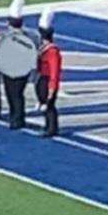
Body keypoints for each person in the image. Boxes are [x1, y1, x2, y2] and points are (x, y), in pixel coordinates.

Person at [2, 0, 28, 131]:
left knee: (15, 95)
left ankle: (17, 119)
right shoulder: (27, 37)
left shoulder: (11, 37)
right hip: (17, 70)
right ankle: (16, 117)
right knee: (14, 95)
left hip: (15, 70)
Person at [36, 9, 62, 138]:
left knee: (49, 105)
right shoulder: (44, 49)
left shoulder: (52, 51)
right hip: (42, 78)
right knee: (44, 104)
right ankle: (48, 125)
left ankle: (52, 128)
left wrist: (52, 88)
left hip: (48, 80)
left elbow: (54, 71)